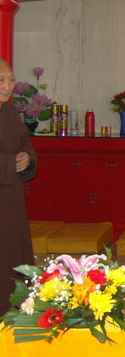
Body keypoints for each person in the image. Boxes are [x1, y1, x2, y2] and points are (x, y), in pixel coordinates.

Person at [0, 59, 37, 315]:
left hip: (11, 198)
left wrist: (27, 157)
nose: (8, 86)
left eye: (11, 80)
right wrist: (8, 162)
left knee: (13, 253)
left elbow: (25, 141)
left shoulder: (10, 112)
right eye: (1, 81)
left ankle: (15, 308)